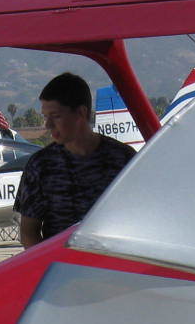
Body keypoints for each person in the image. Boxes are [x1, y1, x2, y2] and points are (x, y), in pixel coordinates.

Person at [15, 72, 134, 248]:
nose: (48, 125)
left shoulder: (123, 160)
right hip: (61, 270)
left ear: (81, 113)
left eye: (55, 116)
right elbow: (28, 232)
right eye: (46, 117)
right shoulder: (41, 165)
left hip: (114, 268)